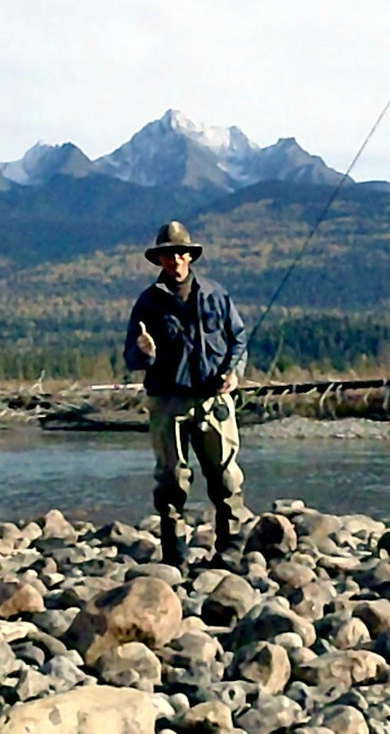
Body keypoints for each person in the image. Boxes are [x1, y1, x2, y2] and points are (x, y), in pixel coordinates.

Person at [124, 221, 249, 569]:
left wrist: (234, 374)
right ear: (159, 260)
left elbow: (238, 340)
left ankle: (230, 553)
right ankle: (175, 557)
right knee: (171, 480)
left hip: (213, 399)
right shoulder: (148, 303)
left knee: (225, 477)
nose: (175, 260)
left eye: (181, 253)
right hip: (167, 402)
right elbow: (131, 358)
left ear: (190, 257)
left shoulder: (216, 295)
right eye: (168, 254)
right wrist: (144, 351)